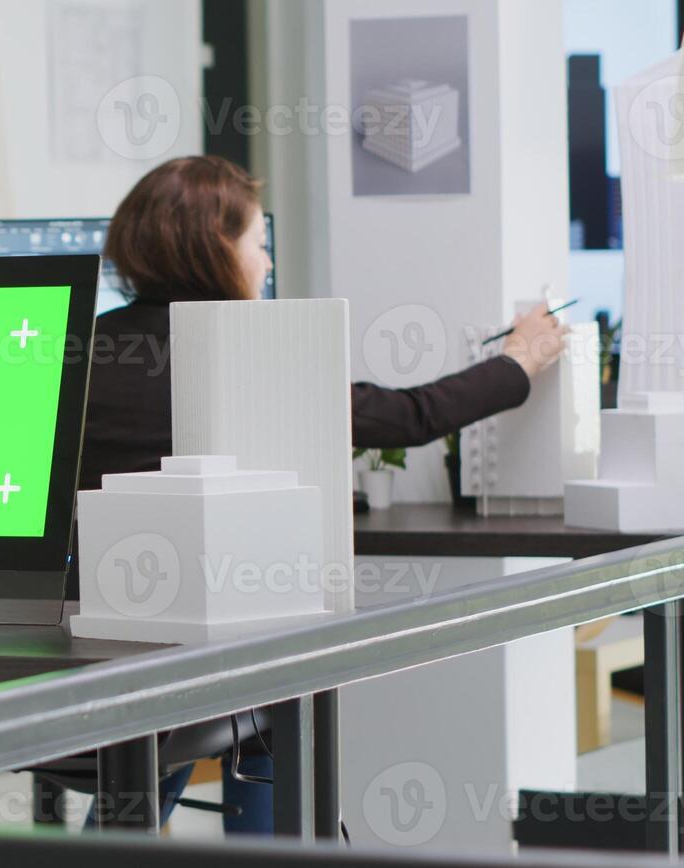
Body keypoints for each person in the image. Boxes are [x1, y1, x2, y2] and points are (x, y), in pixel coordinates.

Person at [78, 155, 566, 833]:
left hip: (102, 651)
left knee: (173, 720)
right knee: (264, 692)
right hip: (223, 658)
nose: (267, 263)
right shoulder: (246, 346)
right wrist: (517, 362)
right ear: (215, 248)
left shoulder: (78, 350)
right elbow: (406, 417)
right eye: (258, 243)